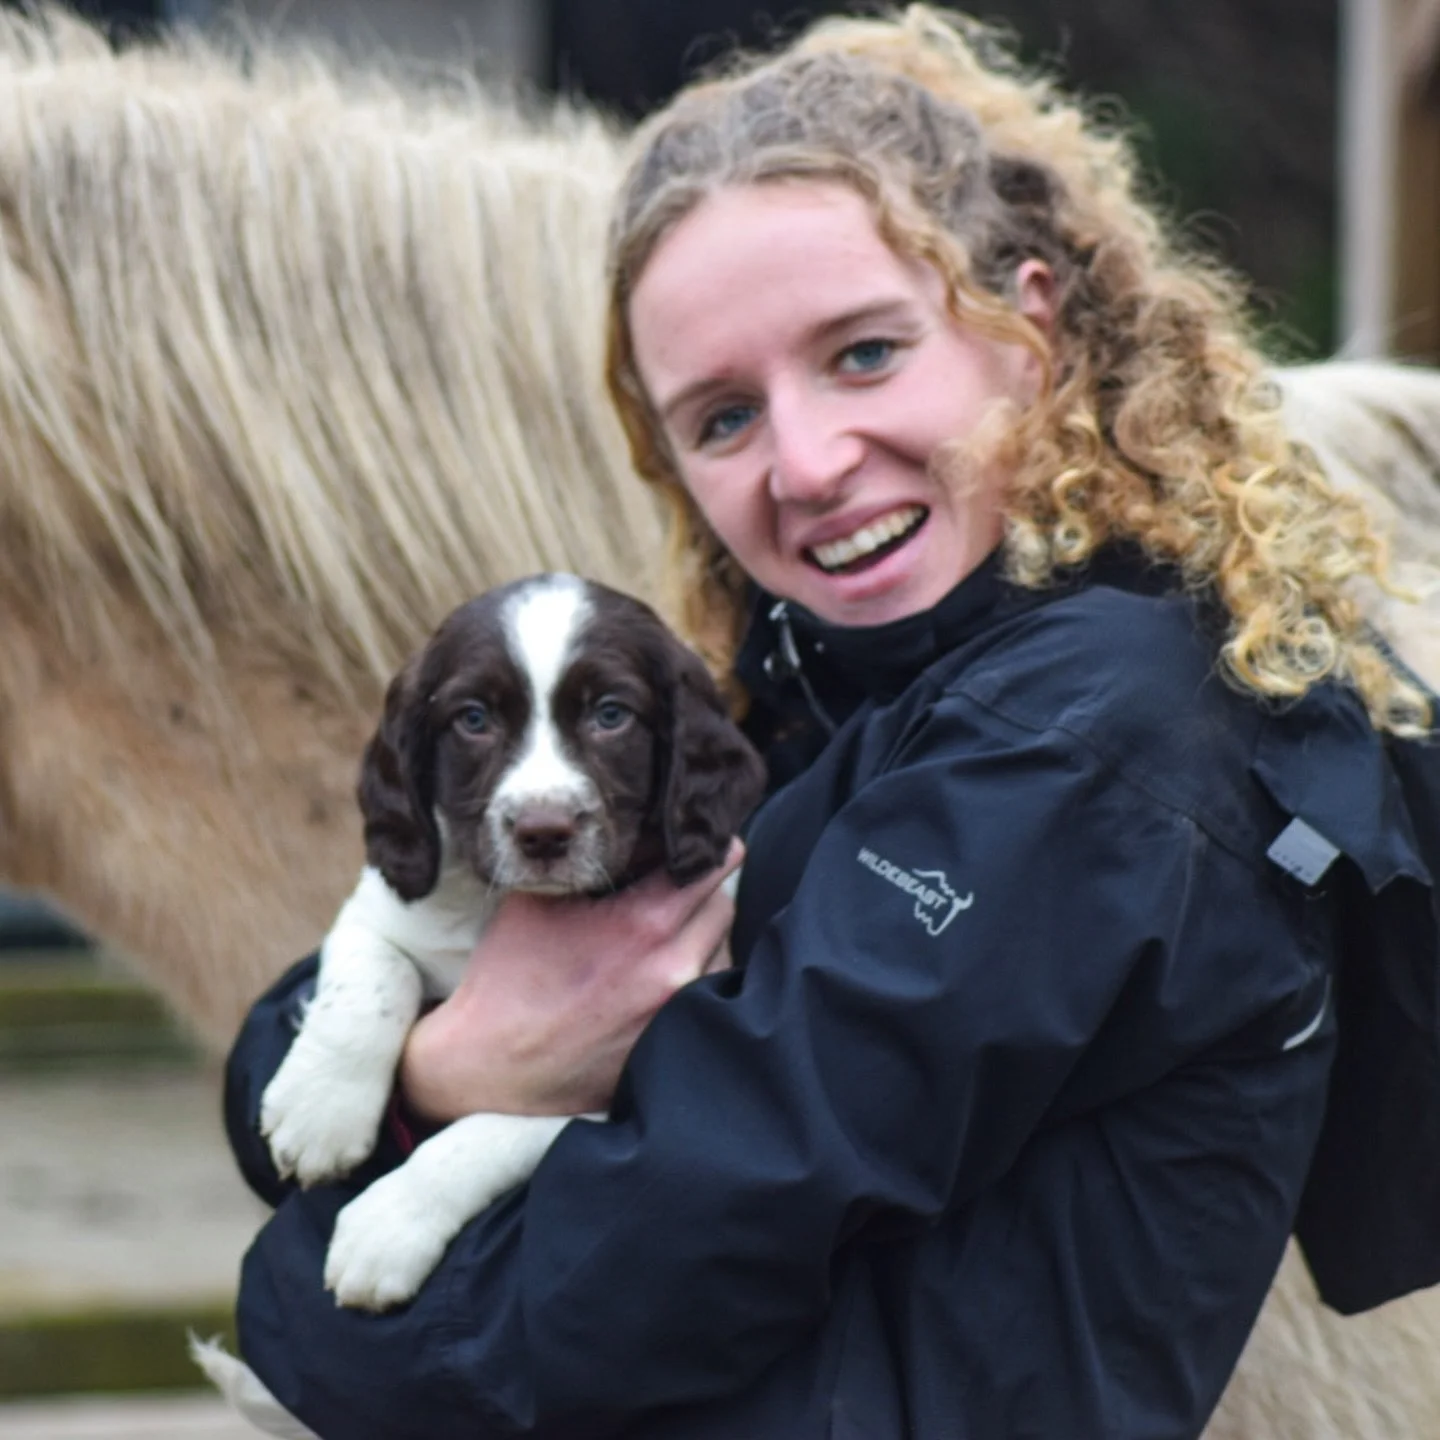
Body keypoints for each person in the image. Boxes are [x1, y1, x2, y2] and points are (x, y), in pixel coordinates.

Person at [221, 7, 1438, 1437]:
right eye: (722, 417)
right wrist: (448, 1063)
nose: (804, 462)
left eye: (863, 354)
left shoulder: (1089, 736)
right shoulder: (831, 692)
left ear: (1027, 327)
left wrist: (286, 1297)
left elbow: (636, 1267)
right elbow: (285, 1083)